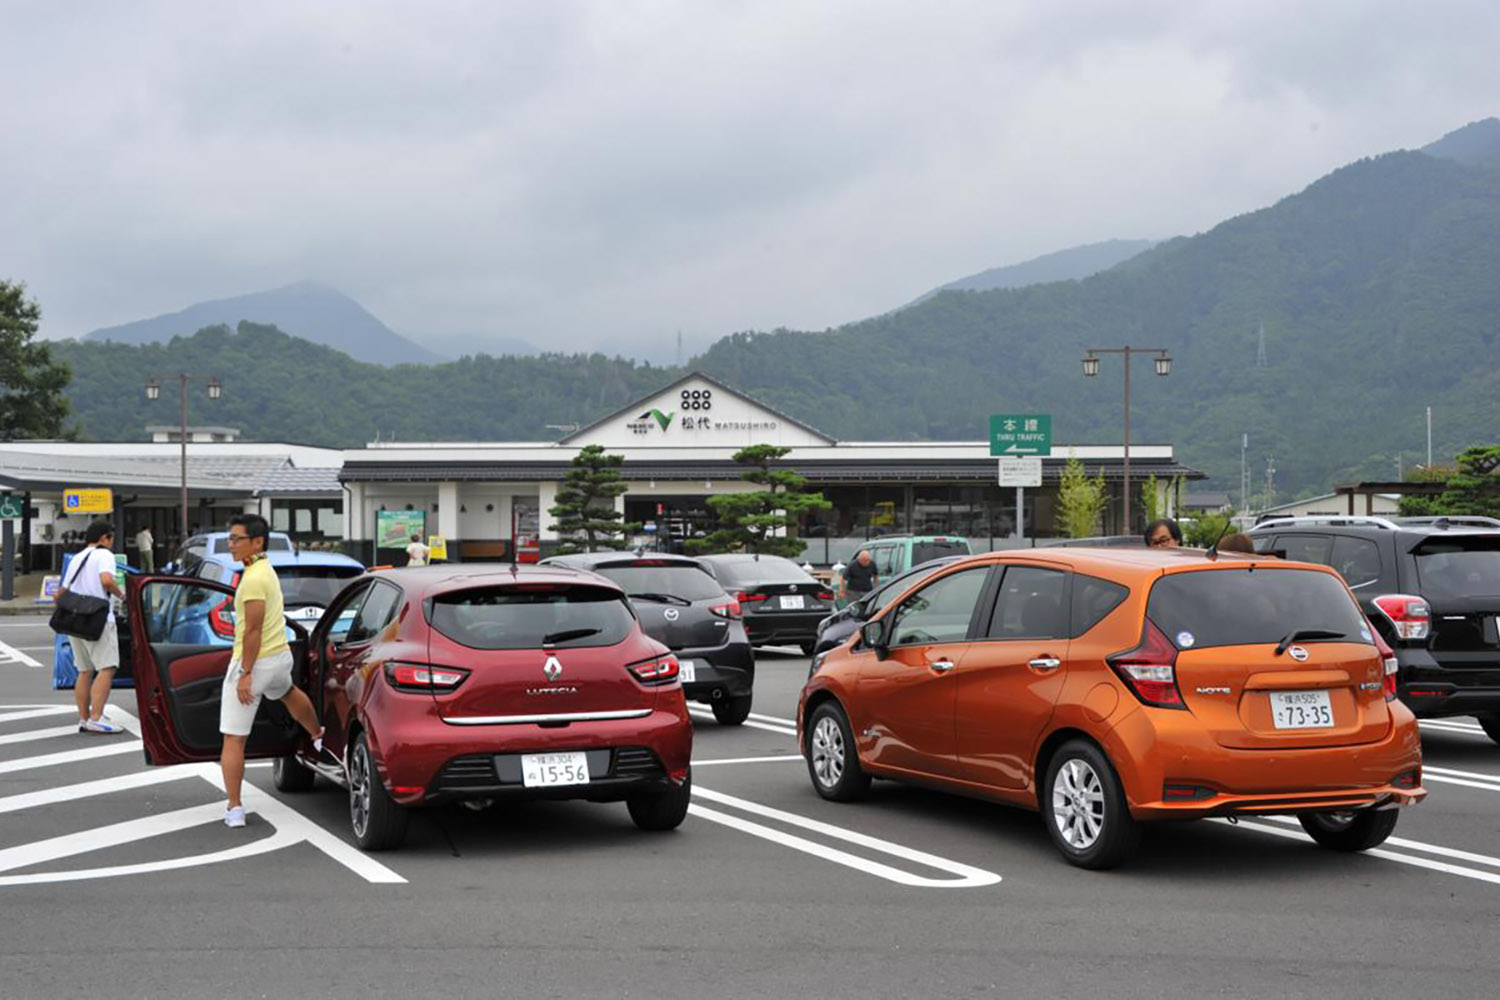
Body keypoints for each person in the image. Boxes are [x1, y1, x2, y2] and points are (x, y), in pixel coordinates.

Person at [219, 513, 323, 829]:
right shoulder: (265, 569)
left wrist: (246, 673)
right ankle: (318, 735)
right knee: (289, 693)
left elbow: (252, 631)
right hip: (280, 657)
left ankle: (234, 808)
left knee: (234, 739)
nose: (231, 544)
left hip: (255, 662)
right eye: (231, 538)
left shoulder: (252, 580)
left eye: (237, 539)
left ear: (257, 541)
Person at [64, 520, 127, 734]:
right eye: (111, 538)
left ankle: (83, 718)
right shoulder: (105, 555)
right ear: (104, 538)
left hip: (75, 619)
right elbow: (107, 580)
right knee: (107, 668)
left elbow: (64, 589)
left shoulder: (76, 558)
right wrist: (122, 595)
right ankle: (97, 717)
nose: (111, 543)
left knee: (84, 670)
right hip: (98, 618)